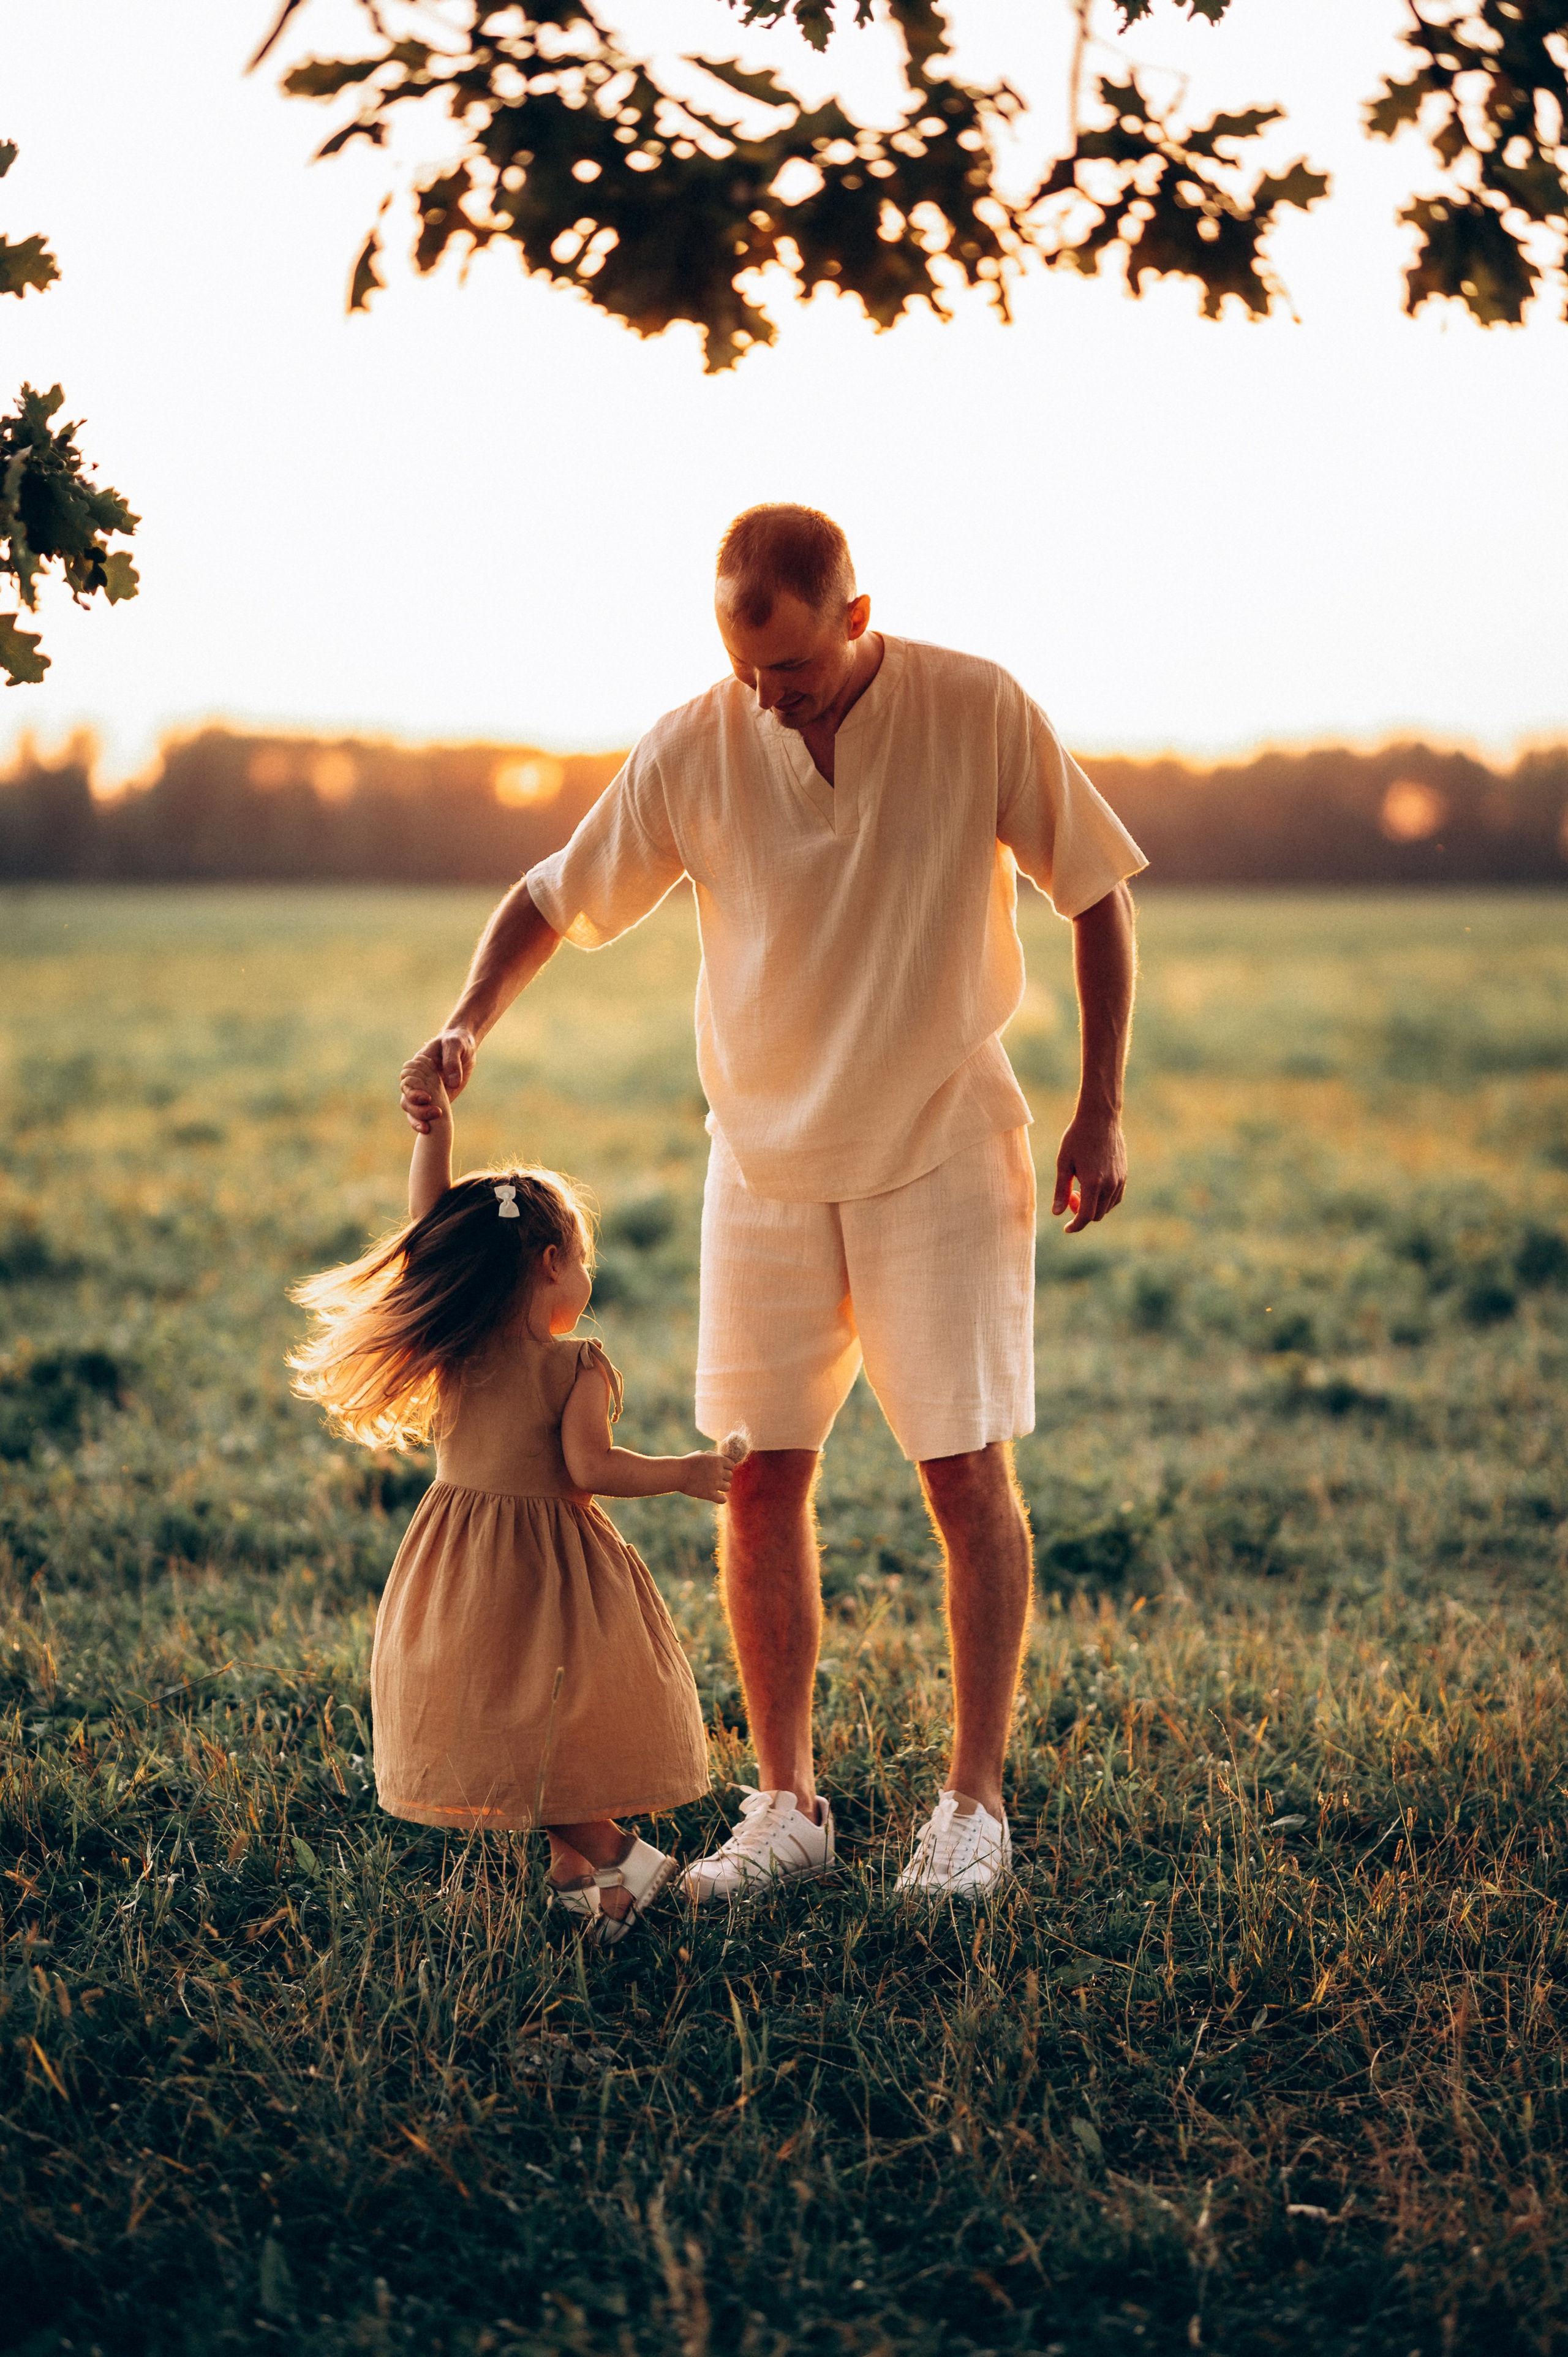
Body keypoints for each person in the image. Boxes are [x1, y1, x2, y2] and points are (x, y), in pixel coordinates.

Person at [401, 503, 1145, 1905]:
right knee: (755, 1476)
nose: (767, 696)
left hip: (940, 1141)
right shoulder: (693, 744)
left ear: (856, 617)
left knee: (962, 1471)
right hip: (759, 1158)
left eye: (791, 669)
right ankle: (787, 1803)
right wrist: (466, 1021)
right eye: (745, 669)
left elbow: (1096, 894)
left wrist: (1099, 1104)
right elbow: (549, 896)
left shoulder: (976, 708)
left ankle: (971, 1807)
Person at [289, 1051, 735, 1946]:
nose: (588, 1279)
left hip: (461, 1563)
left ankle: (586, 1887)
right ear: (550, 1263)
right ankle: (622, 1857)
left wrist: (436, 1137)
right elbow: (591, 1469)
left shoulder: (458, 1342)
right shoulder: (575, 1365)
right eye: (584, 1261)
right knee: (538, 1722)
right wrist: (685, 1473)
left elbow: (432, 1228)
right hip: (548, 1569)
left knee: (511, 1725)